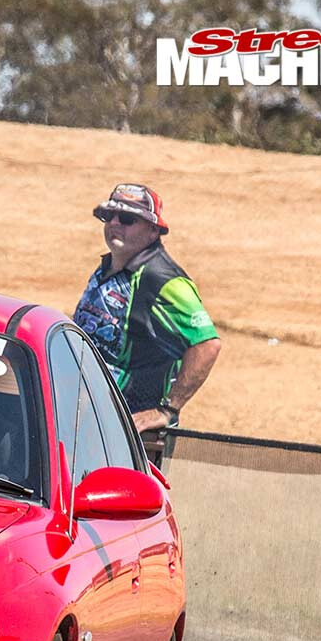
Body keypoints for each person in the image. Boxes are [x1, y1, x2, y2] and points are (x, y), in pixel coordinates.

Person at [73, 184, 221, 445]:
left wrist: (167, 410)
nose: (115, 224)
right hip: (87, 420)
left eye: (128, 219)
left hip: (127, 434)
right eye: (109, 216)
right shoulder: (108, 265)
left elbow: (207, 345)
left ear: (154, 230)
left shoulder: (163, 281)